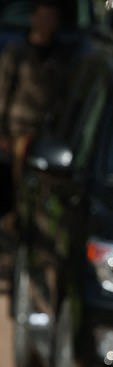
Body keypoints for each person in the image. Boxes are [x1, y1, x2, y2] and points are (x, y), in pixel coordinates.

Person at [0, 0, 70, 235]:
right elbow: (3, 92)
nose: (48, 22)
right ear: (34, 19)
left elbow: (64, 97)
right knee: (18, 185)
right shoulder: (16, 53)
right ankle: (16, 225)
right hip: (19, 131)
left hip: (48, 134)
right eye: (43, 16)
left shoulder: (62, 56)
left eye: (52, 17)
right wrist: (3, 133)